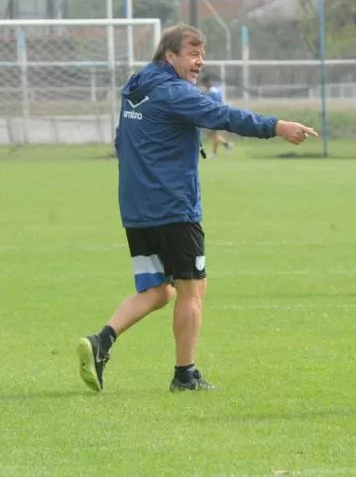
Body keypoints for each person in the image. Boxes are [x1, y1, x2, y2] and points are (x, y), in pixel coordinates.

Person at [76, 23, 318, 393]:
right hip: (173, 207)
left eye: (202, 54)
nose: (199, 61)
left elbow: (120, 140)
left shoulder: (136, 87)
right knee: (193, 289)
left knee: (160, 289)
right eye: (192, 53)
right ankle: (185, 375)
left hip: (136, 208)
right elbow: (225, 117)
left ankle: (101, 342)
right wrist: (278, 126)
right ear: (169, 55)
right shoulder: (175, 92)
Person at [198, 73, 234, 157]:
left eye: (204, 83)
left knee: (213, 134)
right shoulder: (213, 90)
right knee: (211, 134)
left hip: (215, 115)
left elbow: (214, 104)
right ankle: (226, 144)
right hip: (215, 115)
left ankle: (215, 154)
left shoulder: (212, 92)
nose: (204, 85)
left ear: (208, 82)